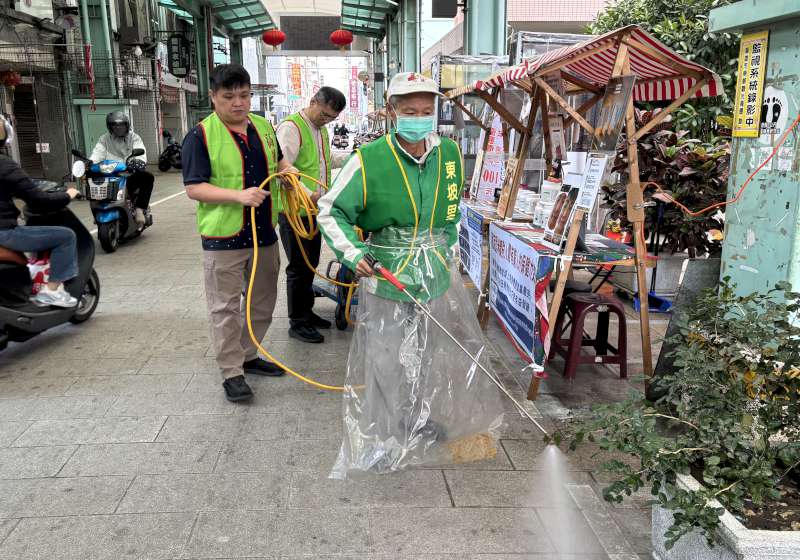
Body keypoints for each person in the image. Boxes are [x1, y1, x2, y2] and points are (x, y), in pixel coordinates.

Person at [318, 72, 504, 477]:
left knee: (424, 354)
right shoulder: (368, 160)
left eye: (426, 110)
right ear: (391, 112)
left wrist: (448, 251)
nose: (419, 118)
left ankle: (417, 419)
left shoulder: (450, 154)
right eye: (409, 111)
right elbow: (331, 211)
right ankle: (384, 436)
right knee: (387, 360)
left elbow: (451, 213)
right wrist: (354, 253)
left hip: (434, 275)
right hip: (389, 275)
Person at [182, 63, 297, 403]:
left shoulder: (263, 127)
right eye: (229, 96)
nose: (238, 103)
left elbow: (277, 162)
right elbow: (194, 188)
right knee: (225, 308)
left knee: (262, 302)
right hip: (224, 239)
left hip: (264, 233)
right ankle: (231, 372)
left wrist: (287, 171)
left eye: (244, 95)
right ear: (213, 97)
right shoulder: (200, 135)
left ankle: (249, 355)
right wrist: (238, 196)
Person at [275, 87, 348, 343]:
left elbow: (325, 160)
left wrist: (355, 157)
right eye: (324, 114)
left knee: (310, 265)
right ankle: (297, 322)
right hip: (295, 211)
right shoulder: (291, 127)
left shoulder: (320, 130)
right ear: (313, 101)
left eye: (331, 118)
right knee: (298, 267)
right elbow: (284, 169)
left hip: (314, 210)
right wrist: (310, 194)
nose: (326, 120)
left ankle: (307, 313)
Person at [0, 115, 81, 307]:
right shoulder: (5, 165)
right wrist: (68, 195)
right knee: (66, 236)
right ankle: (52, 291)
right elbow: (39, 200)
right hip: (4, 233)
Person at [90, 111, 154, 227]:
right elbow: (97, 153)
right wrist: (90, 163)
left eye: (121, 125)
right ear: (110, 127)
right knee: (92, 182)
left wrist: (138, 161)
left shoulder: (134, 137)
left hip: (128, 172)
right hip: (109, 174)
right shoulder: (104, 139)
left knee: (148, 177)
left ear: (127, 125)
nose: (118, 128)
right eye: (114, 125)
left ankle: (140, 209)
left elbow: (139, 149)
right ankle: (98, 210)